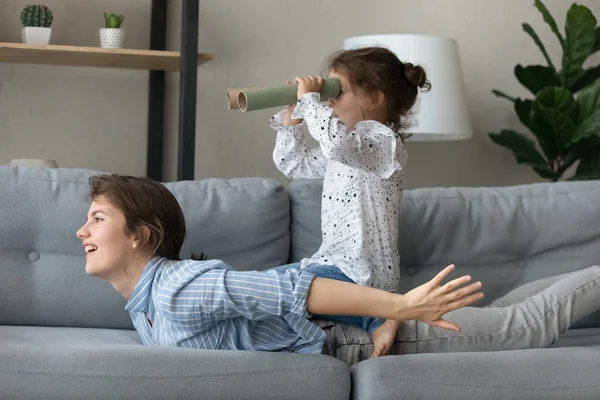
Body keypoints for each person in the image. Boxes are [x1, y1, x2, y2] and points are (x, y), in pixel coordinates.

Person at [77, 174, 600, 366]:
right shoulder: (146, 308)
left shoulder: (177, 293)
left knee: (527, 327)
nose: (82, 232)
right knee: (514, 316)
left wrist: (398, 309)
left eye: (98, 219)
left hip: (354, 338)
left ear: (141, 234)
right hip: (347, 335)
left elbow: (294, 287)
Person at [268, 46, 432, 356]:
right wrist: (292, 120)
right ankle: (371, 317)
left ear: (375, 98)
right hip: (334, 266)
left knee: (266, 288)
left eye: (338, 91)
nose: (329, 100)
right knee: (268, 290)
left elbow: (336, 143)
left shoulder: (384, 145)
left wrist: (310, 101)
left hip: (362, 273)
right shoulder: (348, 148)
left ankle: (380, 312)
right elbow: (294, 164)